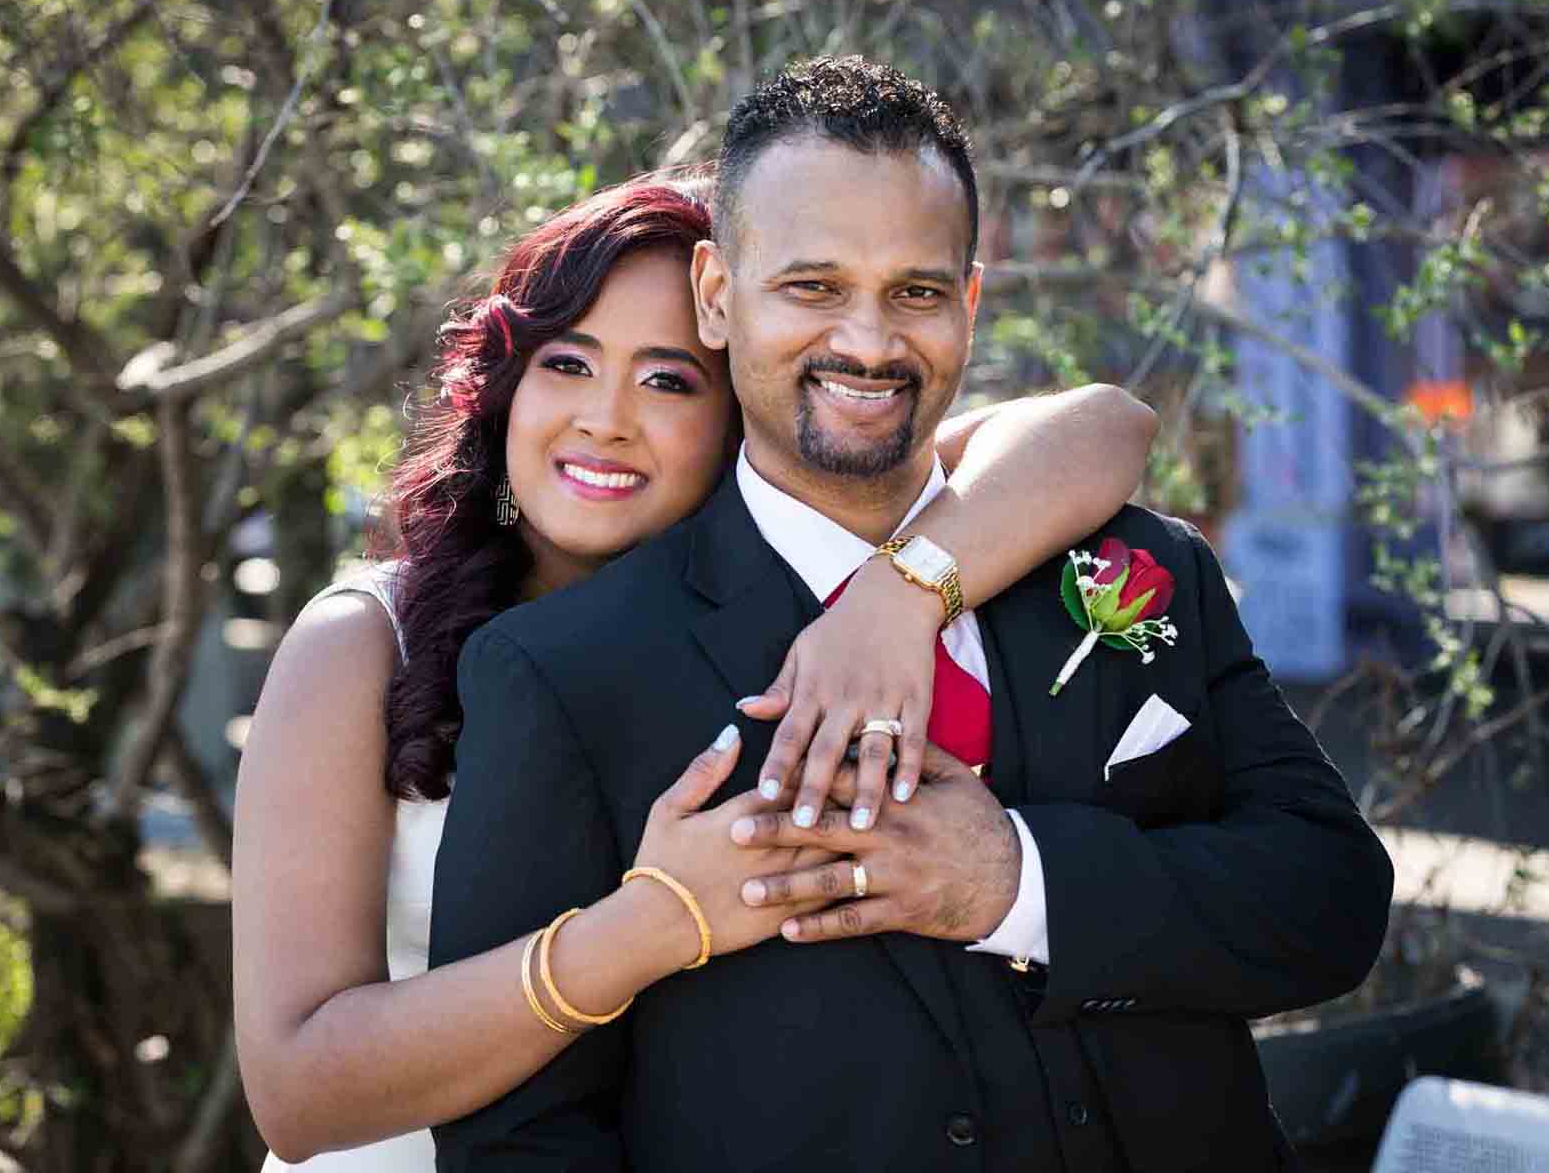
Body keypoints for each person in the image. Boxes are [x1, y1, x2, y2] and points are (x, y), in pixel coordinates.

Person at [429, 57, 1396, 1172]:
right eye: (813, 288)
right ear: (715, 294)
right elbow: (518, 1140)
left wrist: (1016, 883)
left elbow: (1332, 902)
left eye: (918, 292)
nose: (873, 342)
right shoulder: (565, 671)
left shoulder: (1142, 567)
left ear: (972, 301)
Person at [230, 171, 1161, 1167]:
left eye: (670, 379)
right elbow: (297, 1095)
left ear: (745, 410)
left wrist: (899, 597)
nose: (607, 419)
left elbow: (1102, 429)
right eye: (568, 363)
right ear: (507, 389)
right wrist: (656, 924)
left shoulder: (786, 616)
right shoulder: (366, 643)